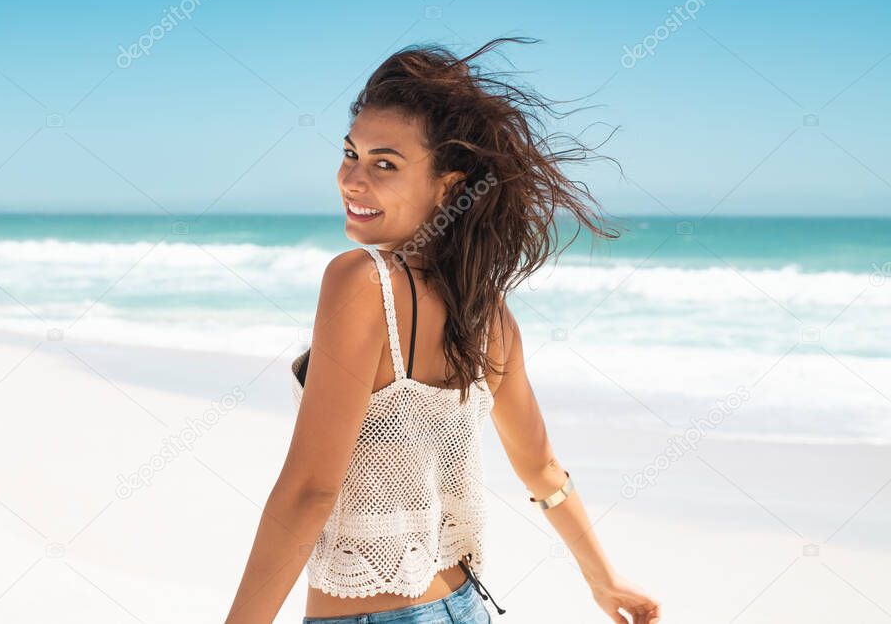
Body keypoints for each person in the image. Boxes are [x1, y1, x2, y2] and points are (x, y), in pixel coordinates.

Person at [224, 36, 662, 623]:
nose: (352, 180)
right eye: (350, 154)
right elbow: (542, 470)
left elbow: (311, 489)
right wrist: (603, 580)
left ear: (449, 185)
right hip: (465, 607)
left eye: (385, 164)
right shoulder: (488, 316)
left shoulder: (361, 281)